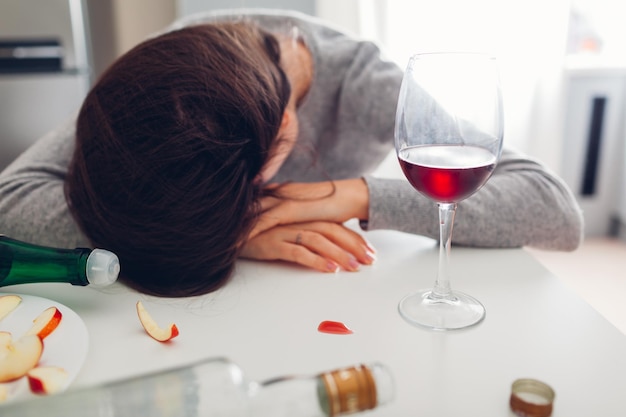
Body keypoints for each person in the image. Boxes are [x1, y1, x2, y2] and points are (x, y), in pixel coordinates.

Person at [0, 9, 583, 297]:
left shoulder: (365, 82)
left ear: (287, 129)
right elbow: (12, 200)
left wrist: (354, 195)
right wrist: (231, 229)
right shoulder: (164, 76)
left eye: (253, 181)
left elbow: (554, 209)